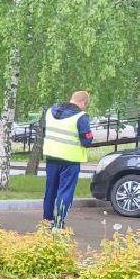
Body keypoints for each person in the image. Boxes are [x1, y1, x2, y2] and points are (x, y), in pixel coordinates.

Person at [41, 90, 93, 229]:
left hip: (51, 157)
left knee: (50, 190)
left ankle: (47, 221)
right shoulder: (81, 117)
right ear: (82, 103)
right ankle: (58, 224)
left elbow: (45, 131)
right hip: (70, 160)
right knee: (65, 191)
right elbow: (87, 141)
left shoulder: (50, 112)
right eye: (85, 105)